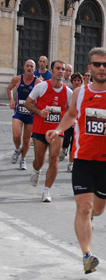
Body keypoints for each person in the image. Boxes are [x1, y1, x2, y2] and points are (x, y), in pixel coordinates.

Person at [46, 48, 106, 274]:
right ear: (89, 67)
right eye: (97, 64)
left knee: (97, 210)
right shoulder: (79, 93)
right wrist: (59, 130)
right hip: (82, 159)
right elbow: (71, 114)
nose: (102, 68)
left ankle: (90, 221)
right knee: (83, 207)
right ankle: (87, 255)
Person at [25, 60, 72, 202]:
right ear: (51, 71)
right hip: (40, 130)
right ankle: (37, 170)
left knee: (53, 159)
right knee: (39, 161)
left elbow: (70, 112)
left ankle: (47, 191)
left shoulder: (68, 92)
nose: (61, 71)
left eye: (63, 69)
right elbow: (27, 103)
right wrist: (39, 112)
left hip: (57, 131)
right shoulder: (41, 87)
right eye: (58, 68)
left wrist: (67, 122)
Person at [7, 59, 38, 170]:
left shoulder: (37, 82)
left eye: (31, 67)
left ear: (35, 69)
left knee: (26, 139)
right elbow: (9, 88)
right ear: (24, 67)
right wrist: (11, 100)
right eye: (27, 66)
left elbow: (43, 95)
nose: (29, 68)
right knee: (16, 135)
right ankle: (17, 149)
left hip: (30, 115)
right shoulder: (17, 79)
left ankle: (23, 159)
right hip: (19, 112)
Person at [62, 72, 84, 172]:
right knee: (66, 141)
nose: (76, 82)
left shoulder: (84, 93)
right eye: (74, 81)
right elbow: (66, 107)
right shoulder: (69, 92)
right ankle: (63, 149)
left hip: (78, 122)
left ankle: (71, 163)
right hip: (69, 120)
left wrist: (78, 120)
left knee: (74, 144)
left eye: (78, 81)